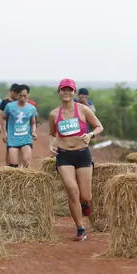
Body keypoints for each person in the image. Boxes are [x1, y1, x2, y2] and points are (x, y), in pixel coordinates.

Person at [48, 78, 103, 241]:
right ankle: (80, 228)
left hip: (82, 154)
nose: (66, 92)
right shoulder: (54, 114)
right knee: (72, 191)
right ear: (59, 92)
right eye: (63, 89)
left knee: (85, 196)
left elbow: (99, 126)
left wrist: (90, 134)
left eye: (69, 90)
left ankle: (85, 205)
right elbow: (53, 134)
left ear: (74, 92)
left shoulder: (83, 110)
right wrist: (52, 146)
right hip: (64, 155)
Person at [1, 85, 37, 168]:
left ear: (28, 95)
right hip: (13, 139)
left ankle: (25, 180)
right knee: (13, 165)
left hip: (26, 138)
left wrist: (34, 131)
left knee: (27, 162)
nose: (22, 98)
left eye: (25, 95)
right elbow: (3, 118)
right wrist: (4, 132)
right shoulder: (9, 106)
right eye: (20, 95)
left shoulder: (32, 108)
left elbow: (33, 122)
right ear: (17, 95)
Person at [0, 83, 20, 165]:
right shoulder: (5, 102)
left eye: (18, 92)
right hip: (8, 128)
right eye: (15, 92)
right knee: (9, 148)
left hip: (18, 128)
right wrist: (0, 126)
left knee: (19, 148)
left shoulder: (19, 102)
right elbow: (0, 115)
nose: (16, 94)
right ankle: (8, 167)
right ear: (11, 91)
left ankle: (17, 165)